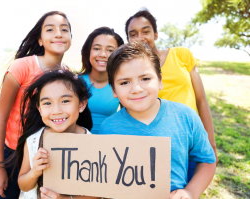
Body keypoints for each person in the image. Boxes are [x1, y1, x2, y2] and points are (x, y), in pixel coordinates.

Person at [99, 41, 216, 199]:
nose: (136, 89)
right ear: (114, 89)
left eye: (145, 78)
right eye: (125, 82)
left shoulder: (186, 117)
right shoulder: (108, 128)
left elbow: (206, 160)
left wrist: (190, 192)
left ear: (160, 80)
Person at [124, 8, 218, 181]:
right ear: (128, 40)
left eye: (146, 31)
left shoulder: (181, 55)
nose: (140, 37)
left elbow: (201, 100)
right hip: (158, 146)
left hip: (191, 139)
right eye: (133, 34)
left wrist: (210, 142)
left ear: (156, 34)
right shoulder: (132, 71)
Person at [0, 11, 72, 198]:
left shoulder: (68, 75)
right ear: (40, 40)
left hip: (46, 154)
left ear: (70, 39)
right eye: (50, 29)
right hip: (13, 154)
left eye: (64, 29)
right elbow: (1, 117)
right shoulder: (22, 67)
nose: (58, 33)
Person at [16, 70, 101, 199]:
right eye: (47, 103)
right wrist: (34, 173)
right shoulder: (34, 141)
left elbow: (97, 192)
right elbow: (23, 185)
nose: (56, 111)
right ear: (39, 109)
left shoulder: (92, 144)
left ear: (82, 104)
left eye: (65, 101)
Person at [80, 27, 124, 134]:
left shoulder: (122, 85)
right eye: (96, 48)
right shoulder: (73, 83)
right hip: (79, 144)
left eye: (110, 50)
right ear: (88, 51)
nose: (103, 54)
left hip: (108, 146)